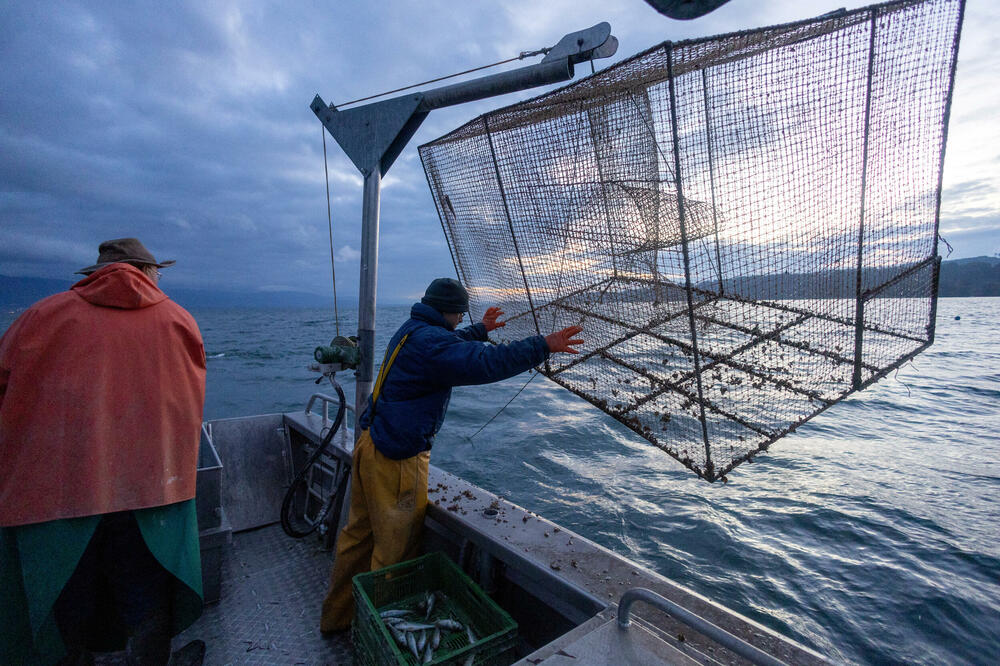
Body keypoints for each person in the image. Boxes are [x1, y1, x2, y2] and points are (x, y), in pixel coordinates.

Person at [320, 277, 583, 632]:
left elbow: (453, 344)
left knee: (357, 538)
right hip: (395, 460)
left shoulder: (414, 328)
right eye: (460, 315)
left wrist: (481, 328)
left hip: (370, 444)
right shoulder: (432, 343)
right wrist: (543, 345)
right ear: (450, 311)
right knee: (393, 553)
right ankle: (374, 635)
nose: (461, 321)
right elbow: (484, 363)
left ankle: (336, 618)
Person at [0, 238, 208, 665]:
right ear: (146, 272)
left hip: (57, 494)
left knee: (65, 597)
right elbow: (188, 401)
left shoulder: (40, 317)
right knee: (146, 593)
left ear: (96, 274)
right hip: (152, 491)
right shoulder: (178, 320)